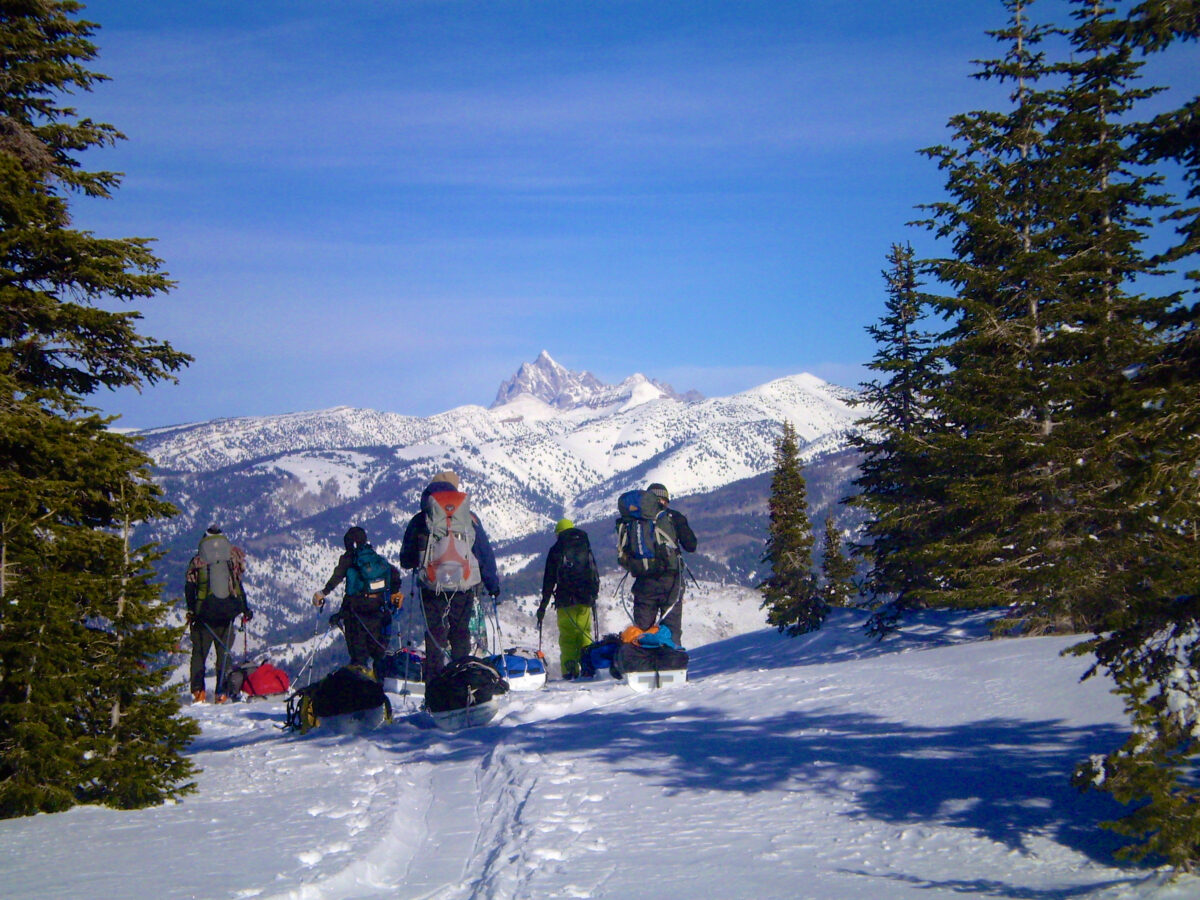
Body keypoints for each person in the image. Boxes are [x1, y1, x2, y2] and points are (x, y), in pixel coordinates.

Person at [399, 471, 500, 680]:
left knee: (435, 636)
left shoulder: (421, 519)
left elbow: (406, 559)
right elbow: (483, 552)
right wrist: (492, 584)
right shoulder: (469, 518)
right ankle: (461, 684)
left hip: (432, 586)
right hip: (463, 586)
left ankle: (434, 692)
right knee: (460, 634)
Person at [312, 526, 403, 680]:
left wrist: (323, 593)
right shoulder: (375, 557)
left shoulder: (349, 559)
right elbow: (394, 575)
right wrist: (395, 593)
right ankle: (379, 688)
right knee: (378, 656)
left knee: (358, 659)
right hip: (378, 611)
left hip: (356, 613)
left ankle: (360, 691)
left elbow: (336, 578)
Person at [185, 526, 252, 703]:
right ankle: (221, 692)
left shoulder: (198, 560)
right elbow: (238, 585)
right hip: (227, 615)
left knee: (199, 654)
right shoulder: (233, 558)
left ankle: (198, 693)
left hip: (203, 616)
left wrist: (192, 610)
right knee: (224, 654)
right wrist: (245, 609)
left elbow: (189, 587)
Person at [631, 483, 697, 647]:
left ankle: (642, 666)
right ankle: (673, 666)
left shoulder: (635, 521)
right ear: (665, 500)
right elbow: (691, 545)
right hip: (671, 581)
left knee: (642, 631)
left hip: (644, 582)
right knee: (671, 628)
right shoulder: (673, 517)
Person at [537, 518, 599, 679]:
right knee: (585, 633)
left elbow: (549, 580)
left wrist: (543, 607)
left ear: (558, 534)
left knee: (567, 636)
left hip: (565, 600)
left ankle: (569, 670)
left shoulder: (556, 549)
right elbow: (594, 572)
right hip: (585, 598)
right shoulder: (585, 545)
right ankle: (588, 666)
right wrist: (593, 596)